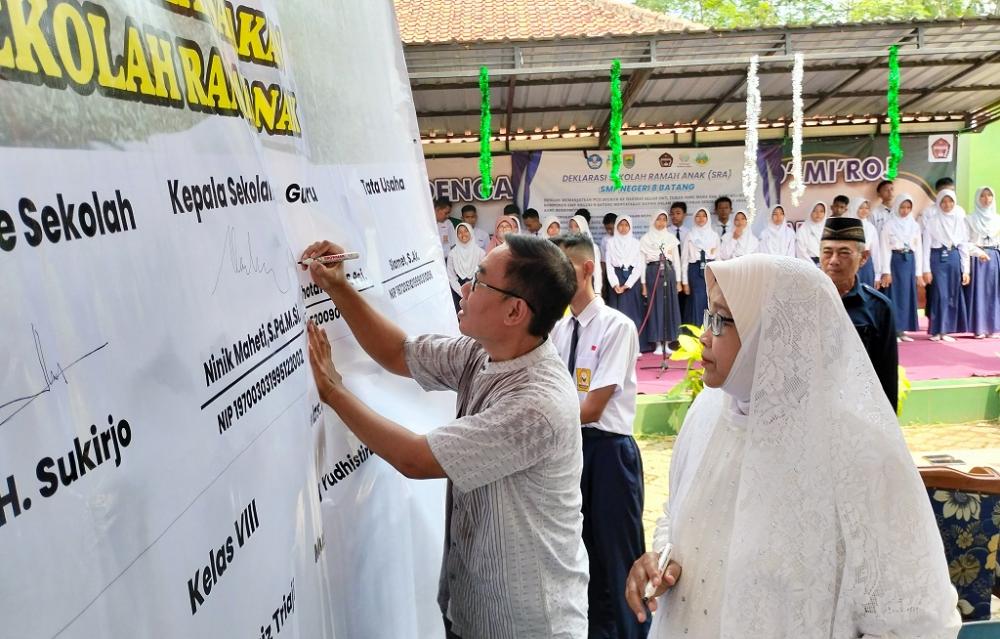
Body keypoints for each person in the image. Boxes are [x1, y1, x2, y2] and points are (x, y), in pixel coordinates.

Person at [624, 254, 960, 638]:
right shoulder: (708, 414)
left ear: (774, 332)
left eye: (721, 320)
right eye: (707, 316)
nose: (704, 335)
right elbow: (678, 513)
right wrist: (661, 559)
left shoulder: (856, 451)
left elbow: (919, 620)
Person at [302, 235, 588, 639]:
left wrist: (333, 392)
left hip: (528, 624)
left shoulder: (538, 404)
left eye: (479, 280)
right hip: (474, 610)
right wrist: (338, 287)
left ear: (514, 311)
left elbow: (416, 460)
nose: (465, 288)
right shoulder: (483, 353)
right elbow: (398, 352)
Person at [550, 233, 648, 639]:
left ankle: (635, 633)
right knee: (580, 557)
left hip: (608, 453)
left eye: (563, 268)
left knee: (619, 560)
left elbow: (592, 408)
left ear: (587, 269)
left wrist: (538, 415)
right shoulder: (556, 331)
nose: (553, 278)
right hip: (570, 451)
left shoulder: (616, 327)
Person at [821, 217, 898, 412]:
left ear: (863, 257)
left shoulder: (879, 308)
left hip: (860, 413)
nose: (833, 260)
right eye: (827, 252)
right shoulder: (802, 302)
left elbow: (886, 374)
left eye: (844, 253)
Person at [922, 189, 970, 341]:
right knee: (938, 294)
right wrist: (926, 270)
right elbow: (925, 247)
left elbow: (963, 246)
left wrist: (966, 270)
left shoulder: (960, 221)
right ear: (938, 203)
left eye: (950, 201)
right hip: (937, 259)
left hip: (954, 258)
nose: (947, 204)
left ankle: (946, 330)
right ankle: (937, 330)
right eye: (943, 201)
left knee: (951, 294)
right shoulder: (932, 222)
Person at [880, 194, 924, 342]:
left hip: (909, 261)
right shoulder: (889, 225)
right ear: (897, 207)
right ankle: (894, 329)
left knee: (906, 295)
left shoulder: (914, 225)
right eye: (902, 207)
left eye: (908, 208)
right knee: (894, 295)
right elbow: (884, 248)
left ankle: (903, 329)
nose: (905, 210)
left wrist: (918, 272)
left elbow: (919, 249)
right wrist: (886, 270)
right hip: (895, 260)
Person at [639, 210, 682, 354]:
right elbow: (642, 264)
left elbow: (677, 261)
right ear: (653, 220)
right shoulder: (645, 239)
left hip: (669, 272)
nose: (661, 222)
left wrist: (678, 281)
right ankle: (657, 343)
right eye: (658, 219)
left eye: (664, 219)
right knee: (655, 307)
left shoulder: (671, 238)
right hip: (653, 273)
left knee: (669, 306)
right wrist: (643, 284)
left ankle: (669, 343)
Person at [965, 186, 1000, 338]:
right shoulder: (969, 219)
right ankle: (979, 328)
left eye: (989, 196)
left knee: (994, 292)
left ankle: (994, 327)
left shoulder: (998, 219)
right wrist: (979, 252)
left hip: (995, 257)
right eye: (983, 196)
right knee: (979, 293)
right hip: (978, 258)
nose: (987, 199)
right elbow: (965, 242)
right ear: (977, 198)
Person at [680, 208, 720, 325]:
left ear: (708, 218)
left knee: (711, 300)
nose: (701, 218)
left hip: (711, 269)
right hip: (694, 271)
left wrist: (720, 278)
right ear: (694, 218)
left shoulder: (714, 236)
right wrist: (684, 282)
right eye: (698, 216)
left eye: (704, 216)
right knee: (697, 301)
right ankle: (698, 333)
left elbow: (718, 258)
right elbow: (684, 259)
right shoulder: (690, 235)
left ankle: (711, 332)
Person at [606, 215, 645, 333]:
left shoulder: (636, 243)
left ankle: (636, 344)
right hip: (616, 279)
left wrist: (628, 284)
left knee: (633, 312)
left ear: (630, 227)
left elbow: (639, 266)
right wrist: (615, 284)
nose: (623, 228)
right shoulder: (610, 242)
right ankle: (618, 346)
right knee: (617, 314)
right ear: (616, 227)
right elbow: (609, 265)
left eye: (626, 225)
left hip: (631, 280)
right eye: (621, 225)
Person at [447, 223, 486, 312]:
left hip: (478, 288)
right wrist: (461, 292)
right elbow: (451, 276)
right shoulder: (452, 254)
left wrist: (474, 290)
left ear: (471, 232)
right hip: (458, 290)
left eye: (466, 231)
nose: (463, 234)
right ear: (456, 235)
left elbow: (484, 274)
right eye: (459, 232)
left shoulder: (481, 253)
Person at [848, 197, 881, 288]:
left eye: (867, 208)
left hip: (866, 263)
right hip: (850, 263)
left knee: (866, 292)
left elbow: (875, 251)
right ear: (854, 208)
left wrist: (877, 275)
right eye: (861, 208)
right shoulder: (847, 226)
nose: (864, 211)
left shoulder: (871, 228)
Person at [570, 214, 603, 295]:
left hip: (587, 286)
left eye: (576, 226)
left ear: (583, 227)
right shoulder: (569, 247)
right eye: (571, 226)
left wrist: (597, 292)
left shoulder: (592, 247)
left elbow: (597, 271)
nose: (573, 229)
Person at [667, 203, 689, 319]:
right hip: (671, 270)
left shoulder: (689, 233)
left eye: (678, 213)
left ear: (684, 215)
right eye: (672, 213)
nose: (674, 216)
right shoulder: (666, 232)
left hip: (686, 272)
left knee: (685, 301)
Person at [795, 201, 827, 266]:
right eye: (815, 211)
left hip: (826, 262)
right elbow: (801, 252)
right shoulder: (803, 230)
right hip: (808, 263)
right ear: (810, 212)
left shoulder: (828, 229)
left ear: (825, 213)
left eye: (821, 211)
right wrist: (813, 266)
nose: (818, 214)